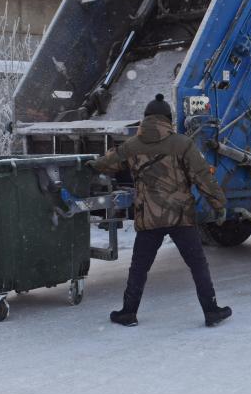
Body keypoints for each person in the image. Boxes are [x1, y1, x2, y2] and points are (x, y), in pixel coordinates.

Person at [88, 93, 233, 327]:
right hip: (180, 216)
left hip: (149, 218)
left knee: (139, 268)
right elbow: (203, 178)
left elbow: (108, 163)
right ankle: (211, 310)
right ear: (168, 119)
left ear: (146, 118)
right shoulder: (182, 144)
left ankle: (128, 312)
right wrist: (219, 205)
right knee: (197, 265)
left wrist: (92, 164)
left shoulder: (133, 145)